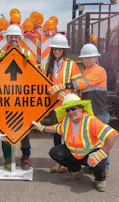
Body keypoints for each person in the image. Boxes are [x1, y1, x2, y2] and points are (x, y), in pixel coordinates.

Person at [32, 94, 118, 192]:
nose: (70, 112)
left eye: (73, 109)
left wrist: (102, 153)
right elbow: (55, 128)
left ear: (81, 108)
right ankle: (75, 171)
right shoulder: (66, 121)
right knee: (55, 152)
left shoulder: (91, 121)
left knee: (99, 160)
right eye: (68, 110)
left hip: (90, 155)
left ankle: (100, 179)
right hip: (74, 154)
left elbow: (112, 134)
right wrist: (41, 127)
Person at [48, 43, 111, 172]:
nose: (86, 60)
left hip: (99, 112)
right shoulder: (86, 70)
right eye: (84, 58)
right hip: (90, 112)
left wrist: (61, 86)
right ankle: (93, 165)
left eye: (89, 58)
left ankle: (104, 168)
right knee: (91, 141)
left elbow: (81, 84)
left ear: (96, 58)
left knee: (101, 143)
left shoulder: (99, 70)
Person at [0, 24, 36, 171]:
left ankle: (25, 156)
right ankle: (8, 158)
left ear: (20, 38)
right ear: (6, 39)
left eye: (16, 36)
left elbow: (35, 75)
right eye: (11, 37)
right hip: (4, 99)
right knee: (5, 129)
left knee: (25, 129)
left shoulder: (28, 54)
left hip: (23, 99)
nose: (13, 39)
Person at [41, 34, 82, 173]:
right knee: (57, 134)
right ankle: (57, 162)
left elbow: (78, 83)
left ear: (64, 50)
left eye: (60, 49)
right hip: (54, 106)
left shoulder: (71, 64)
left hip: (68, 106)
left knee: (68, 134)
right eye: (55, 49)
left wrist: (61, 87)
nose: (57, 52)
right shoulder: (48, 65)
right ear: (52, 50)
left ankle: (66, 162)